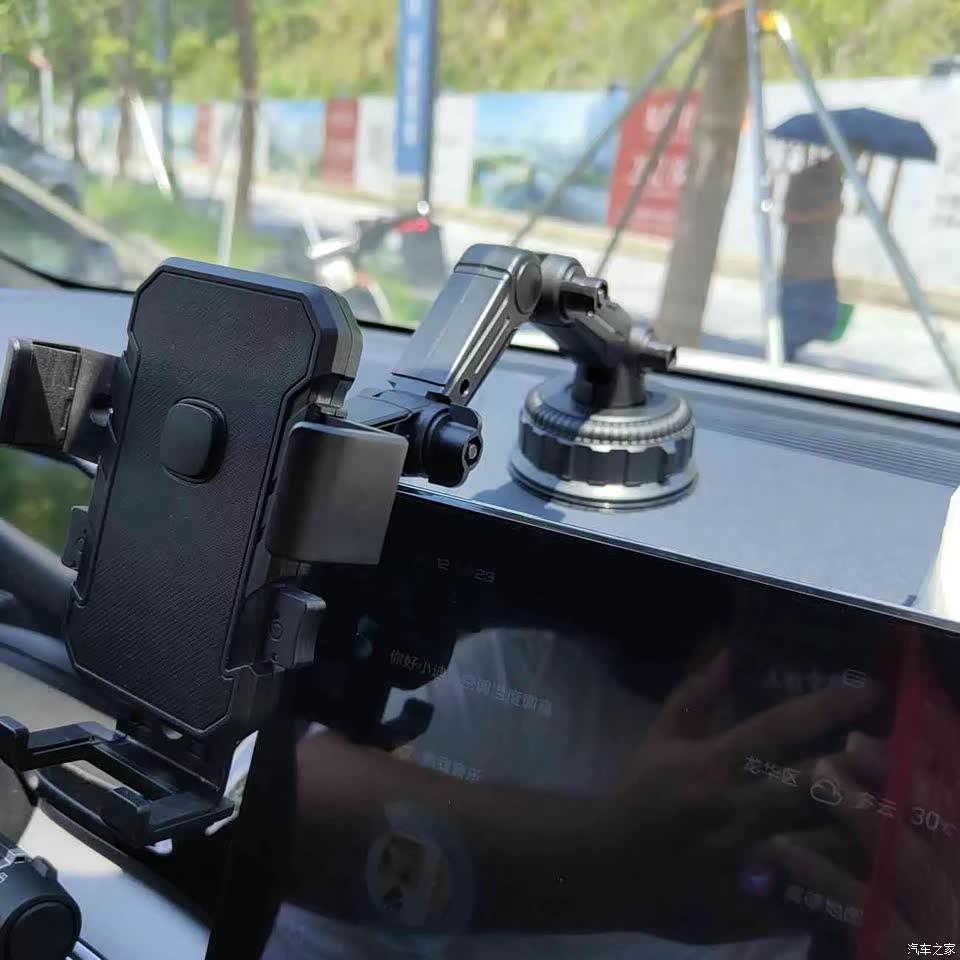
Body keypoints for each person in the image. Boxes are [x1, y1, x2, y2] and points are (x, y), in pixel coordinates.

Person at [779, 153, 846, 361]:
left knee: (826, 320)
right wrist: (826, 214)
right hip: (800, 266)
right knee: (793, 324)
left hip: (822, 265)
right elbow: (788, 216)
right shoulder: (804, 181)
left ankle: (788, 352)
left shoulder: (835, 183)